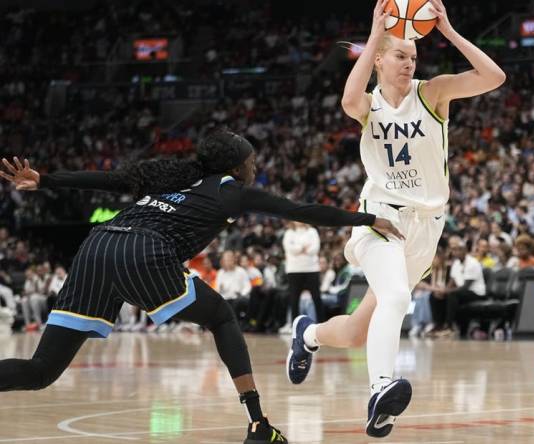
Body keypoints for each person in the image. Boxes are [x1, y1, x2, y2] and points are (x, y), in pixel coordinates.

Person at [0, 128, 402, 444]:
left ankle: (259, 424)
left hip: (96, 246)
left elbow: (112, 180)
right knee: (222, 317)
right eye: (252, 161)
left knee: (40, 370)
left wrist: (48, 179)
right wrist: (366, 221)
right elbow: (299, 210)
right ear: (236, 167)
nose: (254, 167)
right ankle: (258, 424)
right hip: (143, 251)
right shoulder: (230, 192)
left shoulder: (170, 178)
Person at [284, 0, 505, 438]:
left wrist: (450, 31)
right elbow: (348, 97)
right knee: (398, 299)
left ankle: (307, 335)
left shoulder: (433, 92)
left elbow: (494, 77)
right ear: (379, 59)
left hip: (427, 226)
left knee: (352, 332)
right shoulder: (367, 104)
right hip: (379, 218)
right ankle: (381, 391)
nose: (410, 62)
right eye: (401, 55)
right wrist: (374, 35)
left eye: (414, 56)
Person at [282, 221, 324, 327]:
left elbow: (315, 249)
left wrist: (297, 248)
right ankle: (295, 326)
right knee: (294, 299)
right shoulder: (289, 233)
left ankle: (321, 324)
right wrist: (303, 247)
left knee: (317, 298)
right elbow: (289, 249)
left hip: (312, 268)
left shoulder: (312, 231)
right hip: (294, 269)